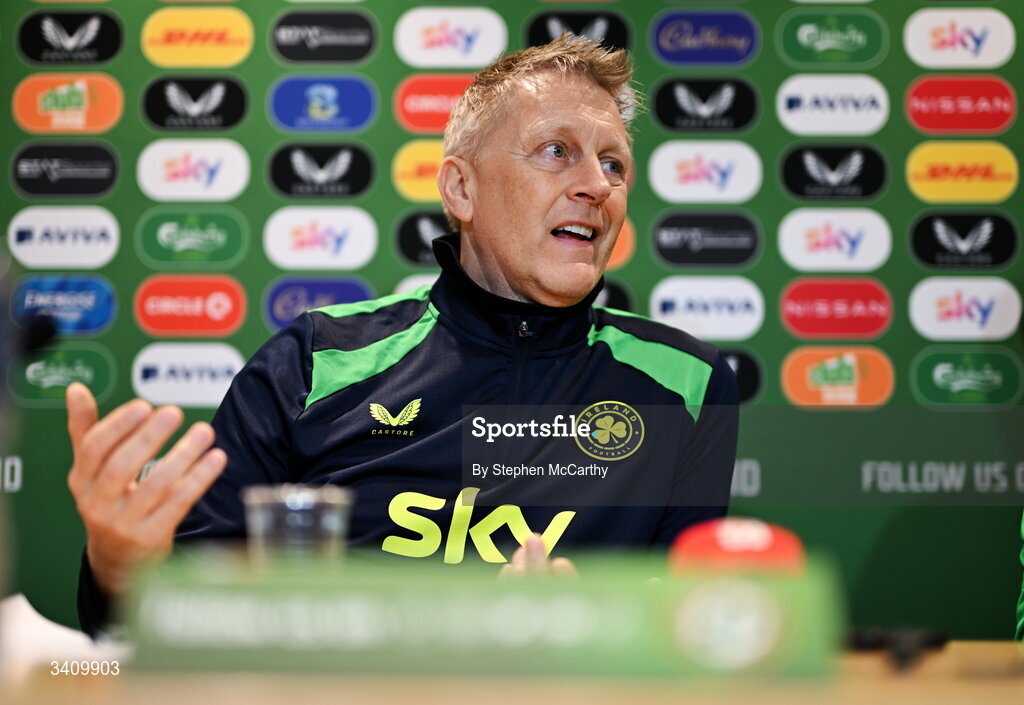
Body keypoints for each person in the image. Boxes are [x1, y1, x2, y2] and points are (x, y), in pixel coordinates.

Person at [68, 36, 739, 637]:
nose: (596, 185)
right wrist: (122, 568)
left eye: (614, 165)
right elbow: (183, 622)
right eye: (556, 151)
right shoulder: (314, 361)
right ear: (461, 190)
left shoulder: (686, 385)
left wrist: (590, 631)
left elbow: (697, 636)